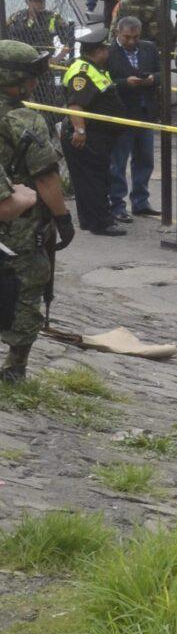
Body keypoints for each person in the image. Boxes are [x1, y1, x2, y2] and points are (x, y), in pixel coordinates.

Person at [0, 41, 71, 380]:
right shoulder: (25, 119)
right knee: (28, 286)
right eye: (28, 76)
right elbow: (46, 177)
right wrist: (63, 218)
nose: (32, 83)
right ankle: (15, 367)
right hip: (19, 220)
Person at [59, 29, 120, 237]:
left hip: (97, 136)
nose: (109, 52)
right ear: (99, 50)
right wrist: (80, 130)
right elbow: (75, 105)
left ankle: (91, 220)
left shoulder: (96, 68)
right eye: (106, 48)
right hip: (87, 136)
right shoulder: (83, 72)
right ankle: (100, 223)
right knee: (93, 180)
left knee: (93, 178)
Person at [101, 16, 158, 224]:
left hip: (145, 113)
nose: (132, 42)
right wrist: (125, 83)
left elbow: (161, 74)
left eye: (135, 37)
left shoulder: (149, 49)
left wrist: (153, 79)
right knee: (118, 163)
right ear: (117, 33)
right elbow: (102, 82)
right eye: (127, 37)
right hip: (121, 115)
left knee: (145, 160)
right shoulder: (108, 53)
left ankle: (141, 202)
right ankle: (117, 205)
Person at [5, 0, 64, 68]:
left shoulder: (52, 18)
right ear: (27, 2)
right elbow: (5, 34)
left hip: (43, 63)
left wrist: (57, 58)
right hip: (20, 62)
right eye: (37, 1)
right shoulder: (17, 17)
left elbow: (69, 41)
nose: (41, 3)